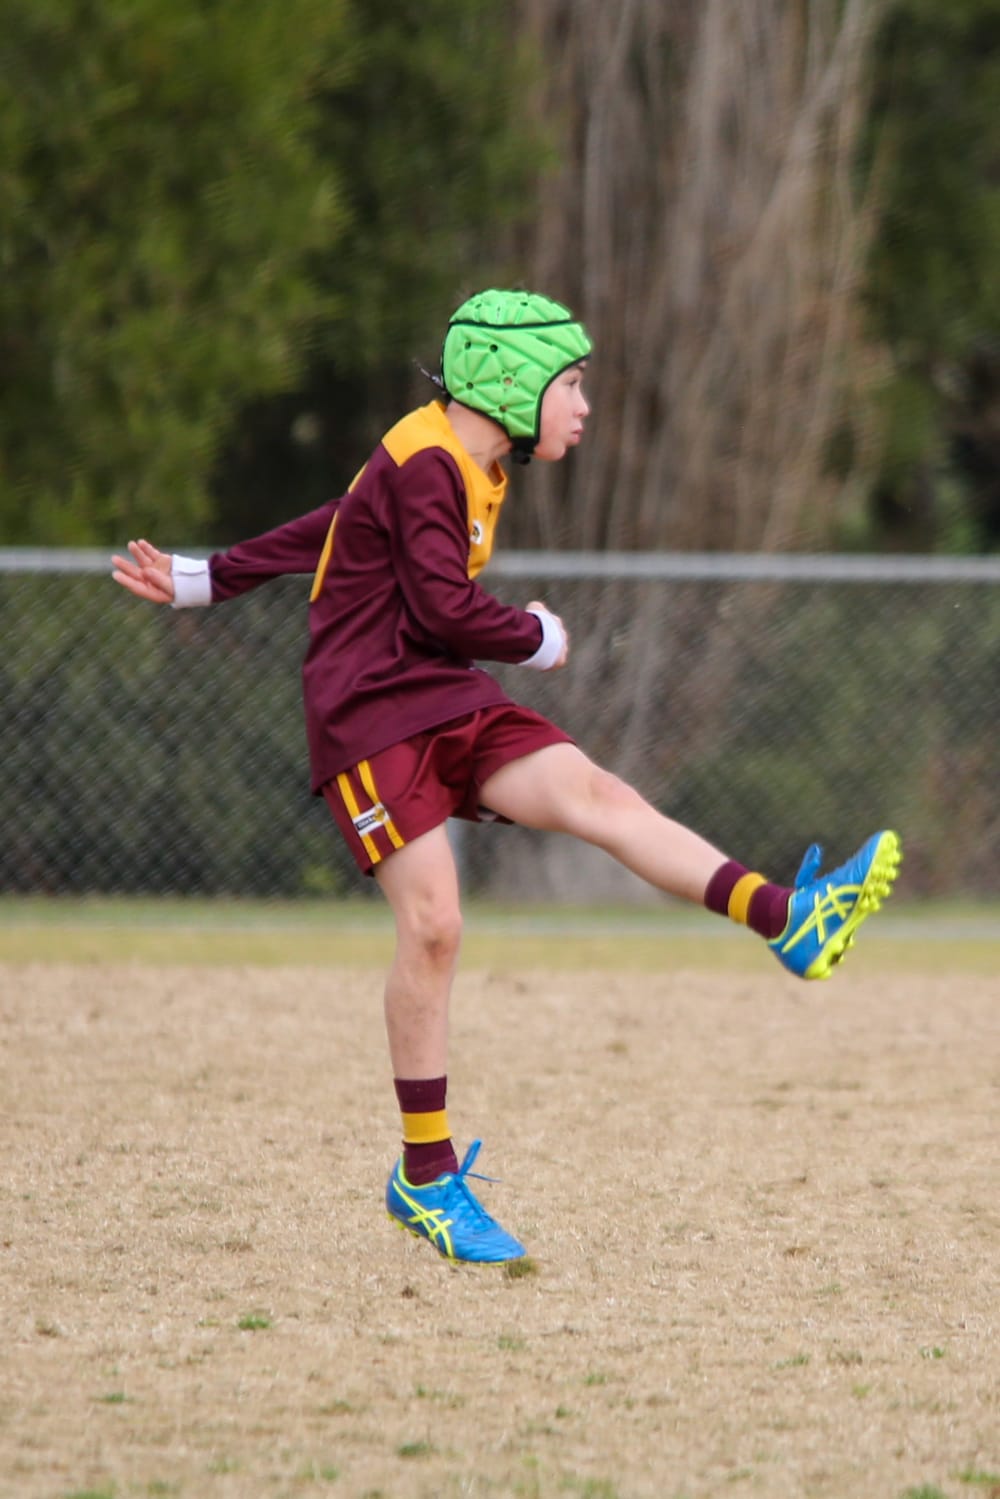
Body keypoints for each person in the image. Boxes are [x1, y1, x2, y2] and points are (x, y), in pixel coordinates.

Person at [112, 287, 902, 1266]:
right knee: (435, 927)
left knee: (597, 796)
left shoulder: (463, 458)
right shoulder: (428, 461)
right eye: (572, 384)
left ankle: (788, 917)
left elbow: (343, 525)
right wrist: (535, 634)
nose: (583, 405)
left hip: (440, 692)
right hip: (367, 712)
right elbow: (442, 605)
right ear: (513, 382)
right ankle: (425, 1176)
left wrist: (207, 576)